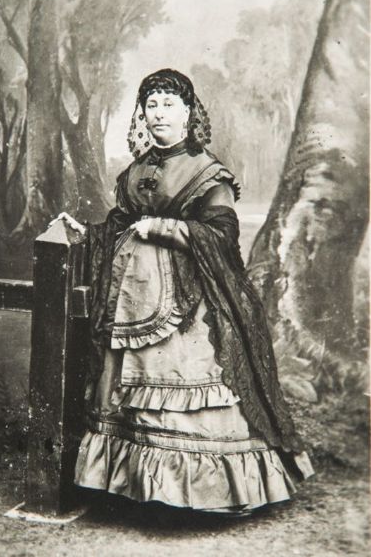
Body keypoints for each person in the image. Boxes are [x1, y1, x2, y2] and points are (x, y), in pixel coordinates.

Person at [63, 68, 313, 515]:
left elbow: (221, 235)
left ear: (188, 113)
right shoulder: (136, 170)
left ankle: (204, 495)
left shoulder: (207, 172)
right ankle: (137, 489)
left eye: (169, 104)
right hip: (132, 302)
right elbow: (121, 225)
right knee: (126, 394)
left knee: (190, 384)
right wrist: (87, 232)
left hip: (188, 306)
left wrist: (164, 228)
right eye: (151, 105)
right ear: (142, 114)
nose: (159, 113)